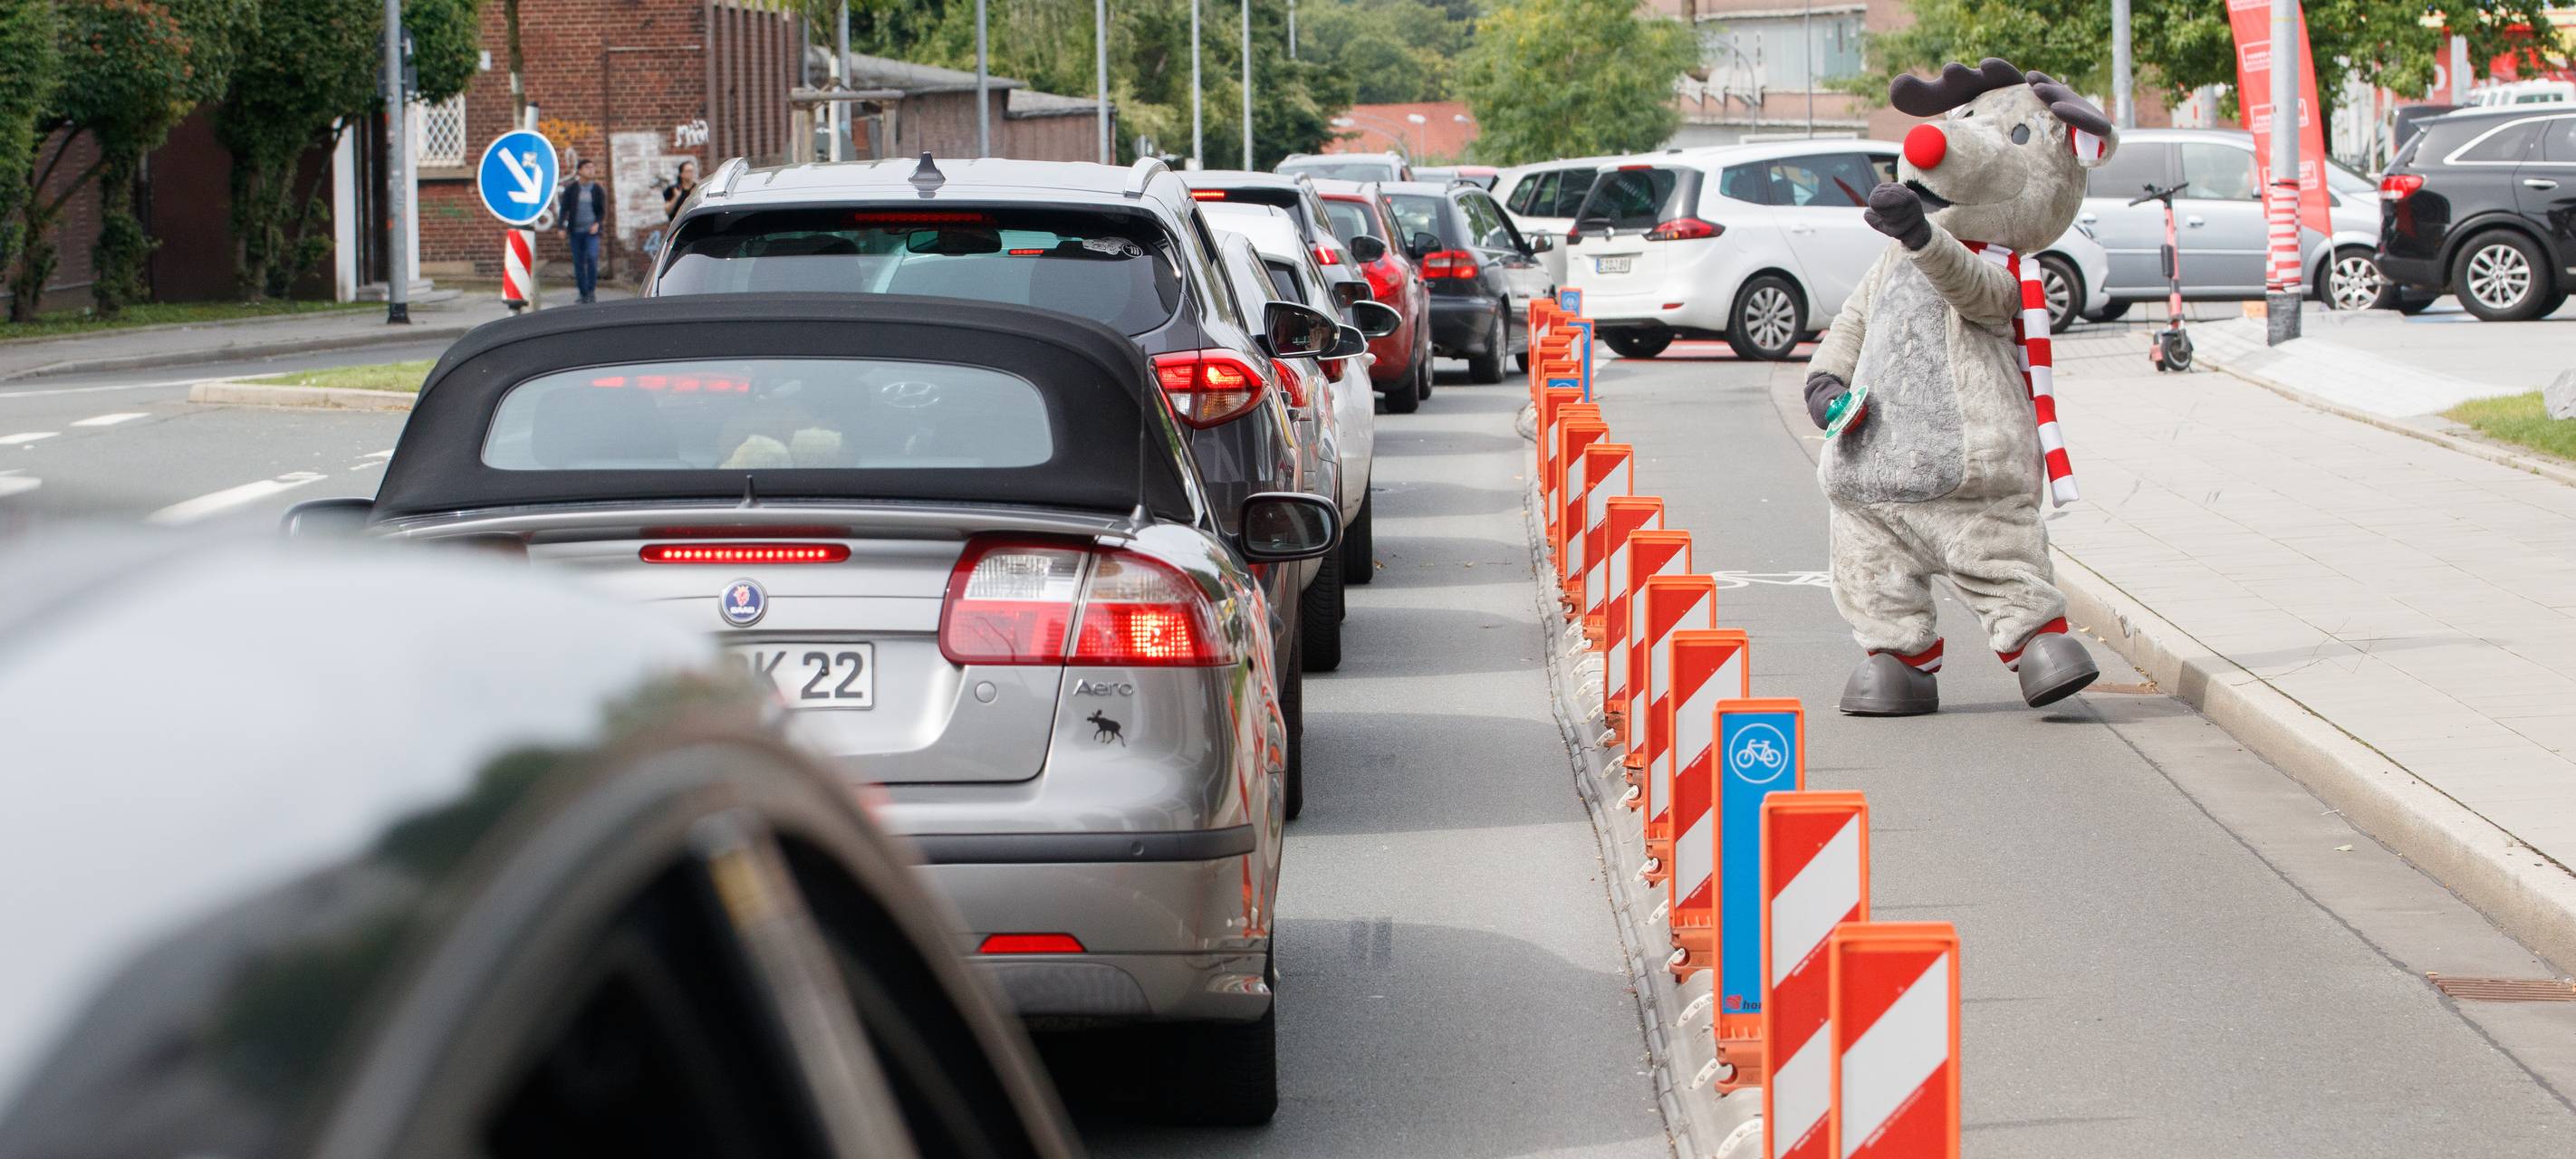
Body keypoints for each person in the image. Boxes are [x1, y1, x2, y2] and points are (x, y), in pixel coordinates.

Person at [562, 158, 607, 303]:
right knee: (579, 262)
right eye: (588, 167)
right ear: (580, 170)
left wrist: (597, 223)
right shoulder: (572, 189)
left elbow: (601, 211)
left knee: (592, 258)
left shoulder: (597, 189)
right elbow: (564, 209)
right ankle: (583, 293)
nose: (591, 170)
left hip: (591, 232)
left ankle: (591, 290)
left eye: (593, 167)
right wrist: (561, 227)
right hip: (576, 231)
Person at [663, 158, 697, 222]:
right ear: (681, 174)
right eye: (688, 171)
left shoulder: (697, 188)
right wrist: (676, 197)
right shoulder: (673, 189)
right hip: (679, 225)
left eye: (692, 171)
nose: (691, 173)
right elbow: (667, 211)